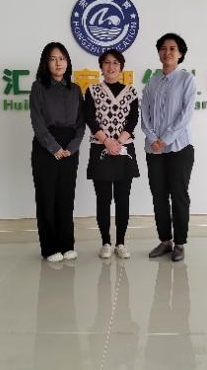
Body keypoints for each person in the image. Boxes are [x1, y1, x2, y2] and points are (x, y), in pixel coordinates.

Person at [141, 33, 196, 262]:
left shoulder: (186, 79)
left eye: (173, 48)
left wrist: (166, 138)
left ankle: (180, 243)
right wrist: (153, 137)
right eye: (163, 48)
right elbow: (144, 112)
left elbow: (186, 114)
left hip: (179, 148)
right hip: (154, 149)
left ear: (180, 53)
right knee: (158, 196)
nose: (167, 52)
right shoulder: (152, 81)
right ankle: (165, 240)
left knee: (179, 196)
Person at [30, 42, 85, 262]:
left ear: (68, 62)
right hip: (46, 147)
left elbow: (81, 123)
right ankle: (50, 247)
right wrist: (54, 147)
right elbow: (37, 121)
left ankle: (67, 244)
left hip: (70, 147)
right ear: (46, 63)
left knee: (66, 196)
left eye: (62, 58)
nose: (58, 63)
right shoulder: (38, 87)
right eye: (53, 59)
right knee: (47, 197)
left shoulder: (75, 89)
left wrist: (71, 148)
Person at [85, 49, 139, 259]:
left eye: (115, 63)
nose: (111, 66)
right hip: (101, 149)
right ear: (101, 66)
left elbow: (133, 120)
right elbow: (90, 118)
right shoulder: (92, 90)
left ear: (121, 67)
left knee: (123, 199)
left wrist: (118, 142)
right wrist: (107, 141)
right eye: (107, 62)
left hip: (124, 150)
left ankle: (121, 243)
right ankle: (106, 242)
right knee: (103, 199)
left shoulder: (131, 92)